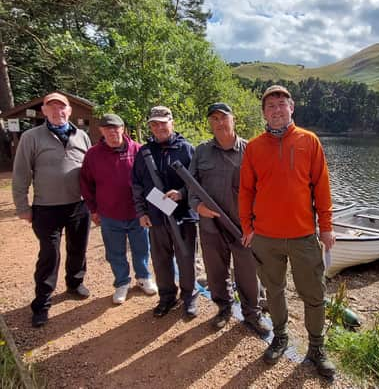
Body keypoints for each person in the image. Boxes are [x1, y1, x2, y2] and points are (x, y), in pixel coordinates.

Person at [239, 85, 337, 379]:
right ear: (264, 113)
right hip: (266, 237)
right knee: (274, 290)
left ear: (292, 108)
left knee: (314, 294)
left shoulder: (310, 141)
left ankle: (316, 348)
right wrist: (247, 226)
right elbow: (245, 190)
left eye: (282, 104)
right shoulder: (254, 147)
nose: (277, 110)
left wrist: (327, 227)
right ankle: (280, 337)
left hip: (303, 235)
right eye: (270, 106)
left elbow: (322, 187)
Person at [189, 102, 271, 336]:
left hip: (243, 228)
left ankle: (252, 314)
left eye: (223, 118)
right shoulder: (201, 151)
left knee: (248, 273)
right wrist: (198, 206)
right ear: (210, 123)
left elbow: (263, 190)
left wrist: (255, 225)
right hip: (210, 227)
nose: (219, 123)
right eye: (214, 119)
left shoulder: (251, 150)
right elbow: (191, 185)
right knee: (216, 272)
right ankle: (224, 309)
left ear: (233, 119)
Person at [12, 92, 92, 327]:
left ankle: (75, 283)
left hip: (78, 205)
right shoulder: (31, 137)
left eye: (62, 107)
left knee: (78, 248)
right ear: (44, 111)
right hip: (46, 208)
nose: (58, 112)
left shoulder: (82, 136)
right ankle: (42, 302)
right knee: (50, 254)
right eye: (52, 107)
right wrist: (22, 206)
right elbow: (20, 174)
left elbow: (89, 171)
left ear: (69, 111)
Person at [80, 113, 158, 305]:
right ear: (101, 131)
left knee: (141, 248)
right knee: (115, 251)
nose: (112, 132)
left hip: (137, 213)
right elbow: (85, 184)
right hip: (109, 214)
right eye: (107, 128)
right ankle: (121, 282)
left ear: (123, 128)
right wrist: (93, 209)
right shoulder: (93, 154)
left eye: (116, 127)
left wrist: (150, 209)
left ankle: (144, 277)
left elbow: (150, 181)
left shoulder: (138, 150)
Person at [131, 106, 199, 319]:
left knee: (186, 259)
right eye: (154, 123)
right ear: (150, 126)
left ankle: (189, 297)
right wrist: (142, 212)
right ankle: (167, 296)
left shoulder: (187, 149)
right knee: (160, 259)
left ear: (172, 122)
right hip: (156, 216)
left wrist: (181, 193)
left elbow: (199, 183)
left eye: (163, 122)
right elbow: (137, 185)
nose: (159, 127)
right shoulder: (144, 152)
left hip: (184, 216)